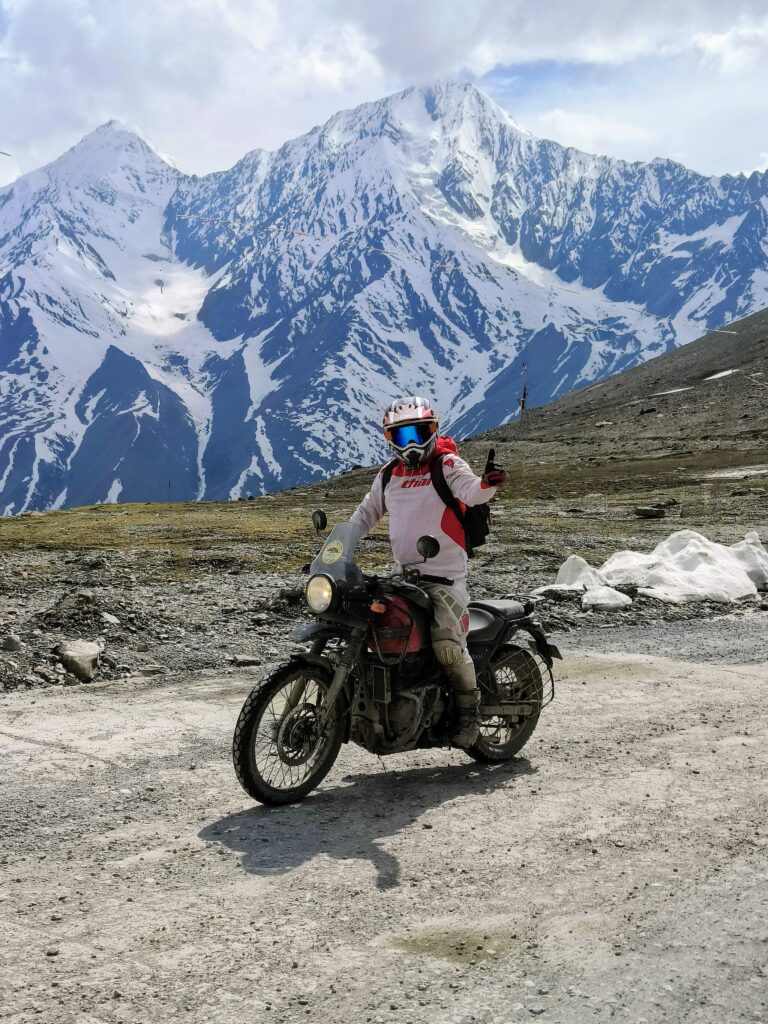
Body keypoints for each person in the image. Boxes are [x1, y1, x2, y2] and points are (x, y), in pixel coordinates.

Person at [350, 395, 507, 747]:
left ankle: (469, 710)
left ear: (433, 431)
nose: (413, 444)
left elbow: (471, 491)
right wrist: (338, 545)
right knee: (370, 627)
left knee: (447, 645)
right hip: (403, 576)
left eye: (420, 433)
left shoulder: (447, 464)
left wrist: (488, 484)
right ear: (391, 439)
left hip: (445, 579)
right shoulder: (389, 475)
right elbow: (365, 514)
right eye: (403, 437)